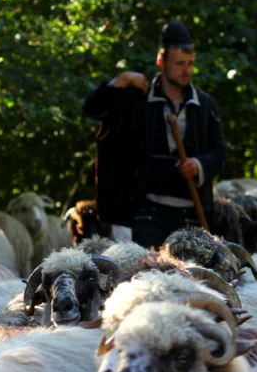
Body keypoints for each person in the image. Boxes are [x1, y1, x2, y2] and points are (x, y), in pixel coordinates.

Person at [83, 21, 227, 248]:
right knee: (148, 276)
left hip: (191, 213)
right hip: (148, 212)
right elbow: (92, 109)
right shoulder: (140, 100)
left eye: (190, 64)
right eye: (180, 63)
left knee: (191, 278)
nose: (186, 70)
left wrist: (197, 165)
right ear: (161, 63)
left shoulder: (204, 104)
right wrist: (121, 80)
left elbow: (219, 152)